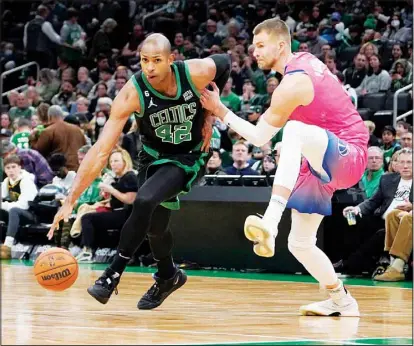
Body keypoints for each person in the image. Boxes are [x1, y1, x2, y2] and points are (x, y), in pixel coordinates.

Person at [48, 33, 231, 309]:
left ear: (171, 60)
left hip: (188, 155)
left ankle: (111, 274)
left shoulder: (195, 72)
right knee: (155, 228)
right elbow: (100, 151)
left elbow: (225, 62)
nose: (150, 67)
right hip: (153, 156)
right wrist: (72, 198)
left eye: (157, 61)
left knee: (144, 200)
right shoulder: (132, 93)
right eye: (145, 60)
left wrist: (210, 114)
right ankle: (168, 276)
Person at [200, 19, 368, 317]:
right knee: (300, 244)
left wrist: (220, 110)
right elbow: (262, 137)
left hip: (349, 152)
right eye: (254, 46)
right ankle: (341, 300)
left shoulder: (294, 82)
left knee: (293, 130)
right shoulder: (302, 63)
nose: (254, 52)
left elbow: (259, 137)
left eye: (261, 45)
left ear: (281, 45)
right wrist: (220, 110)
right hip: (318, 157)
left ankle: (270, 220)